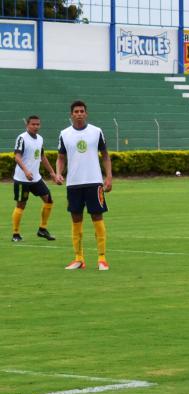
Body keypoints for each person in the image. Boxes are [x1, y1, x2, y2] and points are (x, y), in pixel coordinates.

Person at [56, 101, 112, 270]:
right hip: (73, 183)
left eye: (82, 111)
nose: (79, 114)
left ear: (86, 114)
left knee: (97, 217)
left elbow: (105, 155)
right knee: (76, 219)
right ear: (71, 114)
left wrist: (109, 176)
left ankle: (102, 259)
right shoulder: (64, 134)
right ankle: (79, 259)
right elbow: (61, 158)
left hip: (94, 182)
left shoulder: (96, 131)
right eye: (76, 111)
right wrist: (58, 173)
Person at [11, 115, 61, 242]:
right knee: (21, 205)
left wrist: (52, 173)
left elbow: (42, 157)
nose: (36, 126)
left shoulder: (40, 139)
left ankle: (42, 229)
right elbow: (17, 157)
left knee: (49, 200)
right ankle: (15, 234)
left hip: (36, 178)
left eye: (38, 124)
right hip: (22, 179)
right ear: (27, 125)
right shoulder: (22, 138)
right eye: (33, 124)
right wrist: (26, 171)